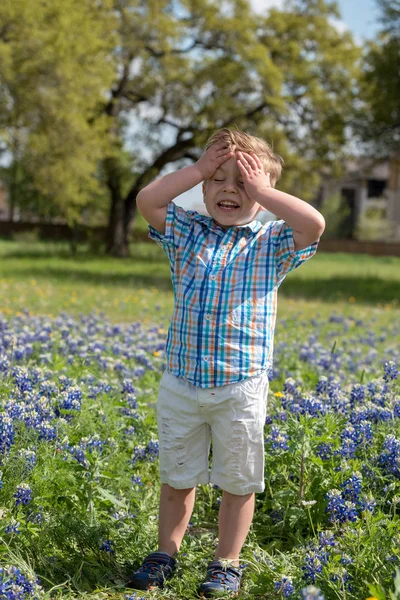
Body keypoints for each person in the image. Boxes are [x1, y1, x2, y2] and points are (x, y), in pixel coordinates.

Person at [127, 127, 325, 598]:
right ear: (203, 188)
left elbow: (313, 225)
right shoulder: (185, 230)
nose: (230, 189)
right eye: (219, 179)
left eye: (246, 182)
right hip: (182, 380)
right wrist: (197, 170)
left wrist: (265, 193)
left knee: (238, 480)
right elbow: (147, 202)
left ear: (265, 191)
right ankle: (165, 553)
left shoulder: (273, 242)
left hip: (240, 385)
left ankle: (226, 561)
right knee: (177, 475)